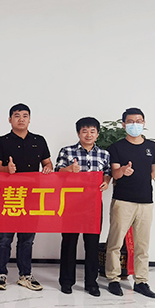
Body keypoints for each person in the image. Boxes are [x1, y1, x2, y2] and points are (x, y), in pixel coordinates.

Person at [0, 103, 53, 291]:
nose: (21, 119)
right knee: (4, 238)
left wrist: (48, 168)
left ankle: (25, 275)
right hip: (8, 196)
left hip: (31, 197)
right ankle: (1, 274)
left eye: (25, 116)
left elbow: (47, 163)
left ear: (29, 119)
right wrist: (6, 169)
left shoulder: (39, 140)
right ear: (10, 119)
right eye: (17, 115)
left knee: (27, 238)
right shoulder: (2, 141)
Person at [104, 108, 155, 299]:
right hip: (123, 201)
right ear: (123, 125)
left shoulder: (152, 146)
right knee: (115, 243)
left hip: (146, 202)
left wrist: (143, 181)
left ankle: (141, 281)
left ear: (144, 123)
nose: (135, 124)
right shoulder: (116, 147)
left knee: (142, 245)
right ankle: (113, 279)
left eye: (138, 121)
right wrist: (123, 171)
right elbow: (114, 173)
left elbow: (154, 169)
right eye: (130, 121)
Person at [54, 117, 111, 296]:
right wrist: (69, 169)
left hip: (93, 205)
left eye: (92, 131)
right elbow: (57, 172)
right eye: (84, 131)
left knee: (92, 244)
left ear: (97, 134)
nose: (88, 135)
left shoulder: (104, 154)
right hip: (71, 204)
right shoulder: (67, 151)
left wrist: (107, 181)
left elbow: (107, 172)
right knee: (69, 243)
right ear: (78, 133)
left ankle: (91, 283)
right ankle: (66, 282)